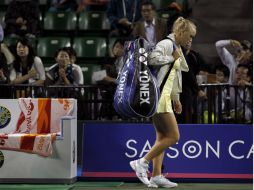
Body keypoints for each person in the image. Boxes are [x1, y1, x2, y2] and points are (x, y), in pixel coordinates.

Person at [129, 17, 196, 188]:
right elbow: (152, 59)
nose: (190, 39)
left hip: (166, 97)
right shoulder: (167, 44)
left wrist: (176, 98)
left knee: (162, 137)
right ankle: (142, 162)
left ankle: (156, 175)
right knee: (174, 136)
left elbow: (174, 76)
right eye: (189, 35)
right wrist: (171, 58)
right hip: (158, 97)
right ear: (180, 32)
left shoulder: (177, 47)